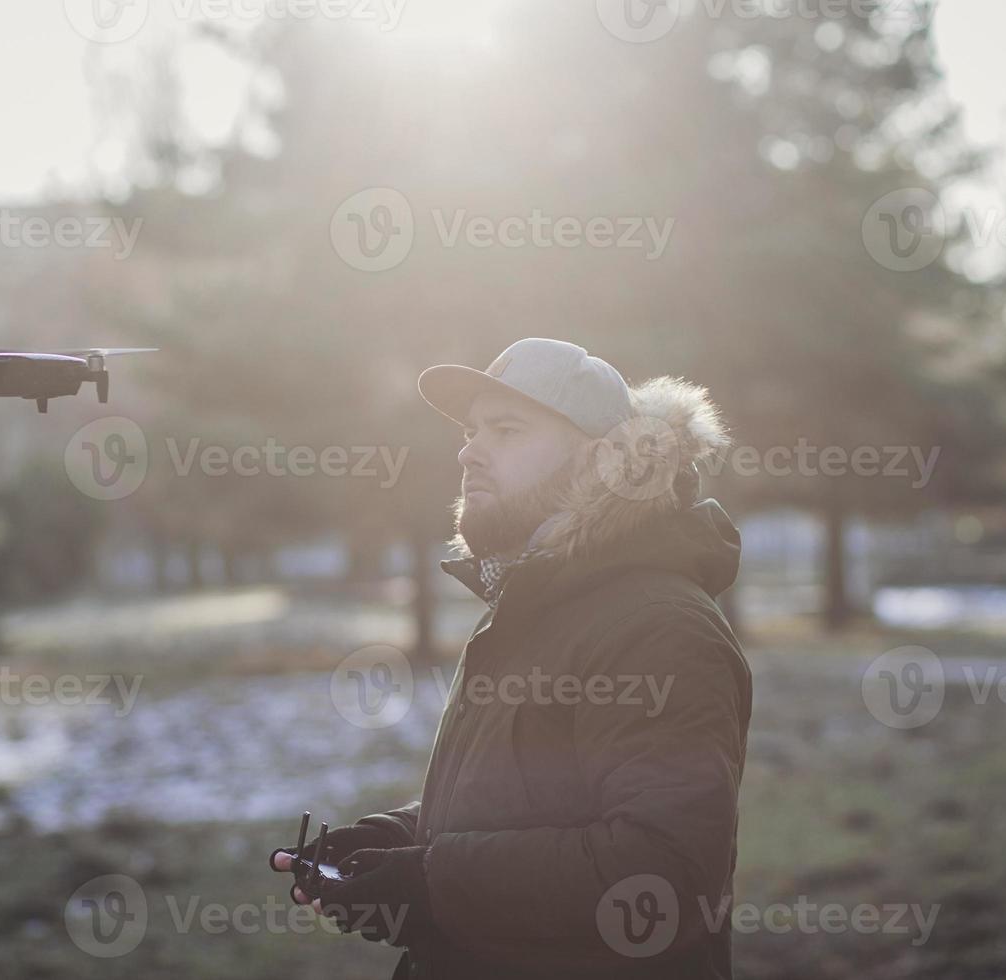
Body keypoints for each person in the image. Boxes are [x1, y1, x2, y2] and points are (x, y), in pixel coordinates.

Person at [271, 338, 752, 979]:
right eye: (471, 432)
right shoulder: (528, 609)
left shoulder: (658, 628)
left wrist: (433, 878)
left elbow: (662, 872)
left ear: (602, 461)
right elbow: (533, 797)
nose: (469, 450)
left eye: (507, 429)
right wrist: (399, 843)